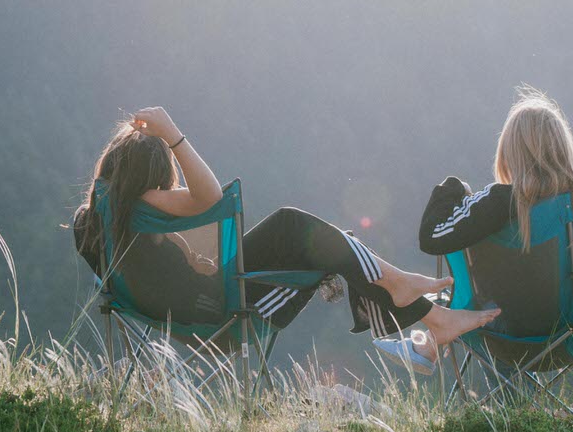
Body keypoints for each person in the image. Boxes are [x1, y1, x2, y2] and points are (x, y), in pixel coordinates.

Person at [72, 107, 493, 336]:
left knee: (330, 244)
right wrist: (174, 135)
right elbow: (210, 196)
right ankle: (418, 304)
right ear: (150, 183)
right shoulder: (146, 202)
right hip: (217, 310)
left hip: (171, 310)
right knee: (302, 232)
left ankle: (424, 311)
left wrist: (184, 257)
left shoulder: (95, 222)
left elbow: (156, 269)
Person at [373, 87, 573, 374]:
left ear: (509, 151)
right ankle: (433, 347)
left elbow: (432, 237)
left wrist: (451, 189)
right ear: (563, 147)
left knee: (488, 295)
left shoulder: (494, 204)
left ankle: (434, 348)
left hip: (507, 334)